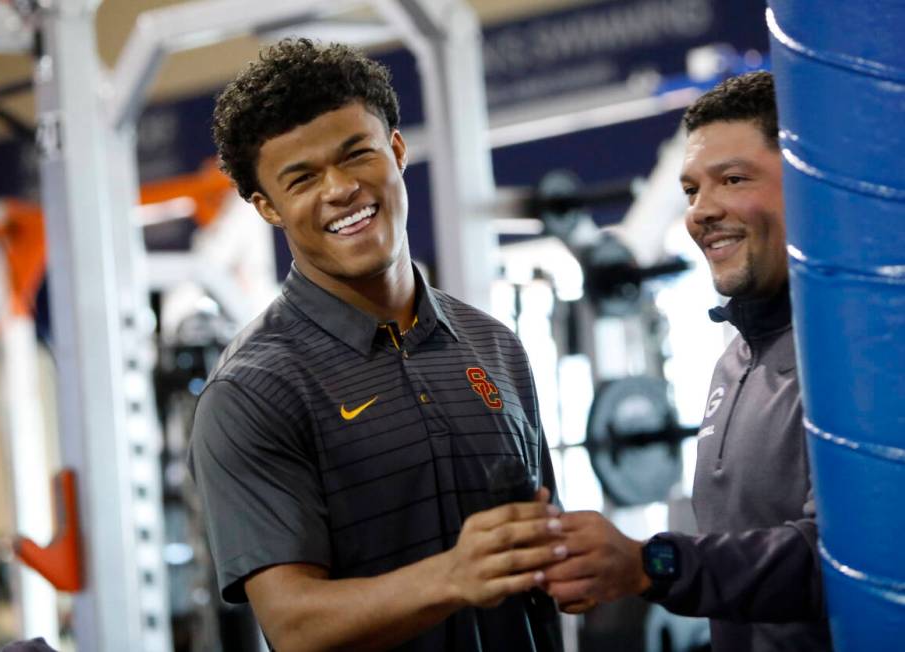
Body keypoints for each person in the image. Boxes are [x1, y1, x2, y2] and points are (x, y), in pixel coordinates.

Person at [188, 39, 565, 652]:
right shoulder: (250, 394)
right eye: (302, 178)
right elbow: (294, 626)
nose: (339, 189)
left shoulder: (495, 347)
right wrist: (452, 576)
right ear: (267, 208)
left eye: (356, 154)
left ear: (394, 150)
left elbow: (540, 551)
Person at [542, 71, 834, 651]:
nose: (702, 210)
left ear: (808, 180)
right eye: (692, 190)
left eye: (732, 179)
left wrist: (653, 563)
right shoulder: (733, 359)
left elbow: (842, 557)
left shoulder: (855, 351)